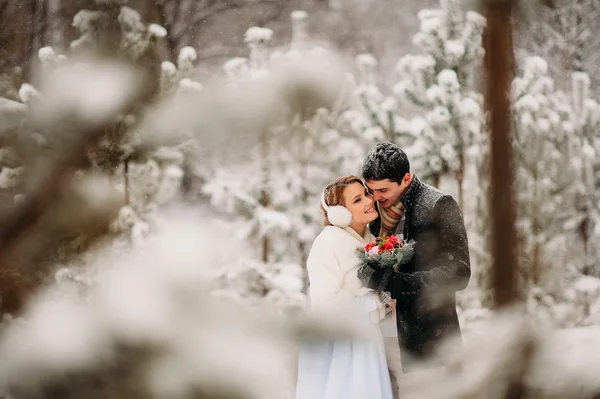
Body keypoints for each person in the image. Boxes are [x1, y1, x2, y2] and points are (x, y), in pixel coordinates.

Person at [360, 142, 471, 387]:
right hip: (380, 338)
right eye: (371, 190)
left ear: (406, 178)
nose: (375, 197)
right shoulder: (373, 214)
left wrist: (401, 284)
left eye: (382, 190)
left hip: (427, 337)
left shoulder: (439, 205)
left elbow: (460, 271)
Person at [295, 175, 394, 399]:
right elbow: (326, 307)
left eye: (366, 194)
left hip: (365, 339)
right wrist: (374, 302)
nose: (370, 201)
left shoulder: (370, 239)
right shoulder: (327, 242)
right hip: (339, 345)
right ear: (339, 214)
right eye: (357, 200)